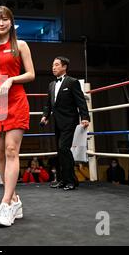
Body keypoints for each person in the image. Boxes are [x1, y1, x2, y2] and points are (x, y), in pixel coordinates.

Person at [0, 5, 35, 227]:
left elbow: (31, 74)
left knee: (12, 150)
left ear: (11, 22)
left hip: (15, 100)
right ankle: (14, 199)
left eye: (5, 19)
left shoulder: (20, 45)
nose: (1, 23)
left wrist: (11, 79)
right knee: (0, 154)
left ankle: (5, 203)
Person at [40, 56, 90, 191]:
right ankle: (62, 180)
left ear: (64, 67)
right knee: (60, 151)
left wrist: (85, 117)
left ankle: (71, 181)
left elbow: (81, 101)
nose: (53, 67)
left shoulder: (72, 82)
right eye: (53, 65)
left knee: (64, 148)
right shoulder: (51, 84)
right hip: (57, 122)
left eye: (56, 65)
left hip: (70, 121)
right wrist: (45, 116)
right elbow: (48, 104)